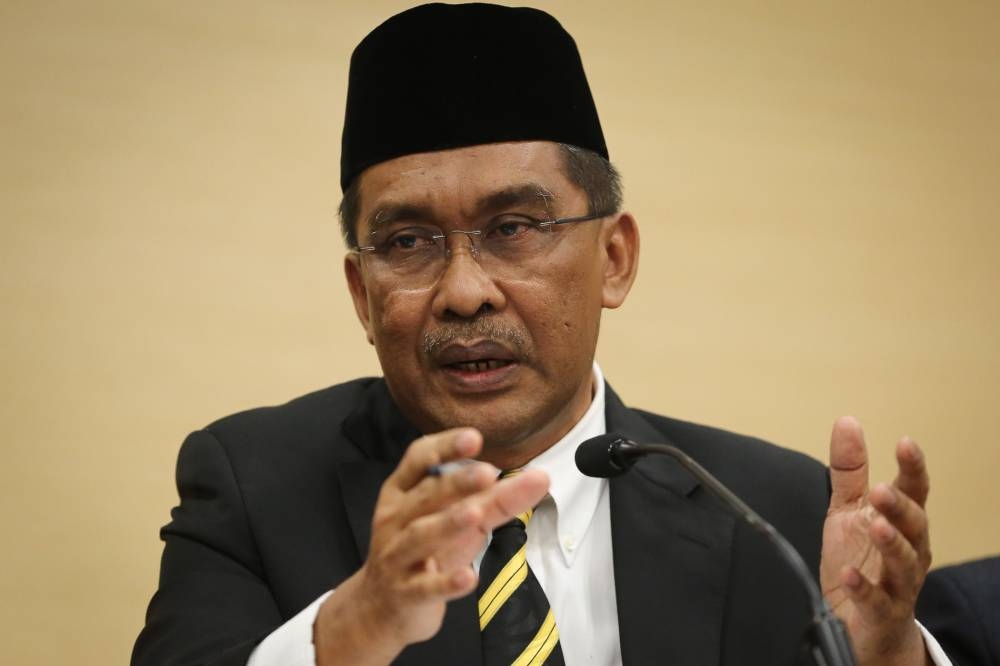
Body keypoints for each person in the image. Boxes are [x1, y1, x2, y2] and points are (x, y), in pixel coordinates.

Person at [132, 4, 949, 665]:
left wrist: (885, 660)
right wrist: (355, 627)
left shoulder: (775, 515)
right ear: (362, 292)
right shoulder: (252, 491)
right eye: (408, 244)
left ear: (616, 259)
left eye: (514, 227)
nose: (461, 292)